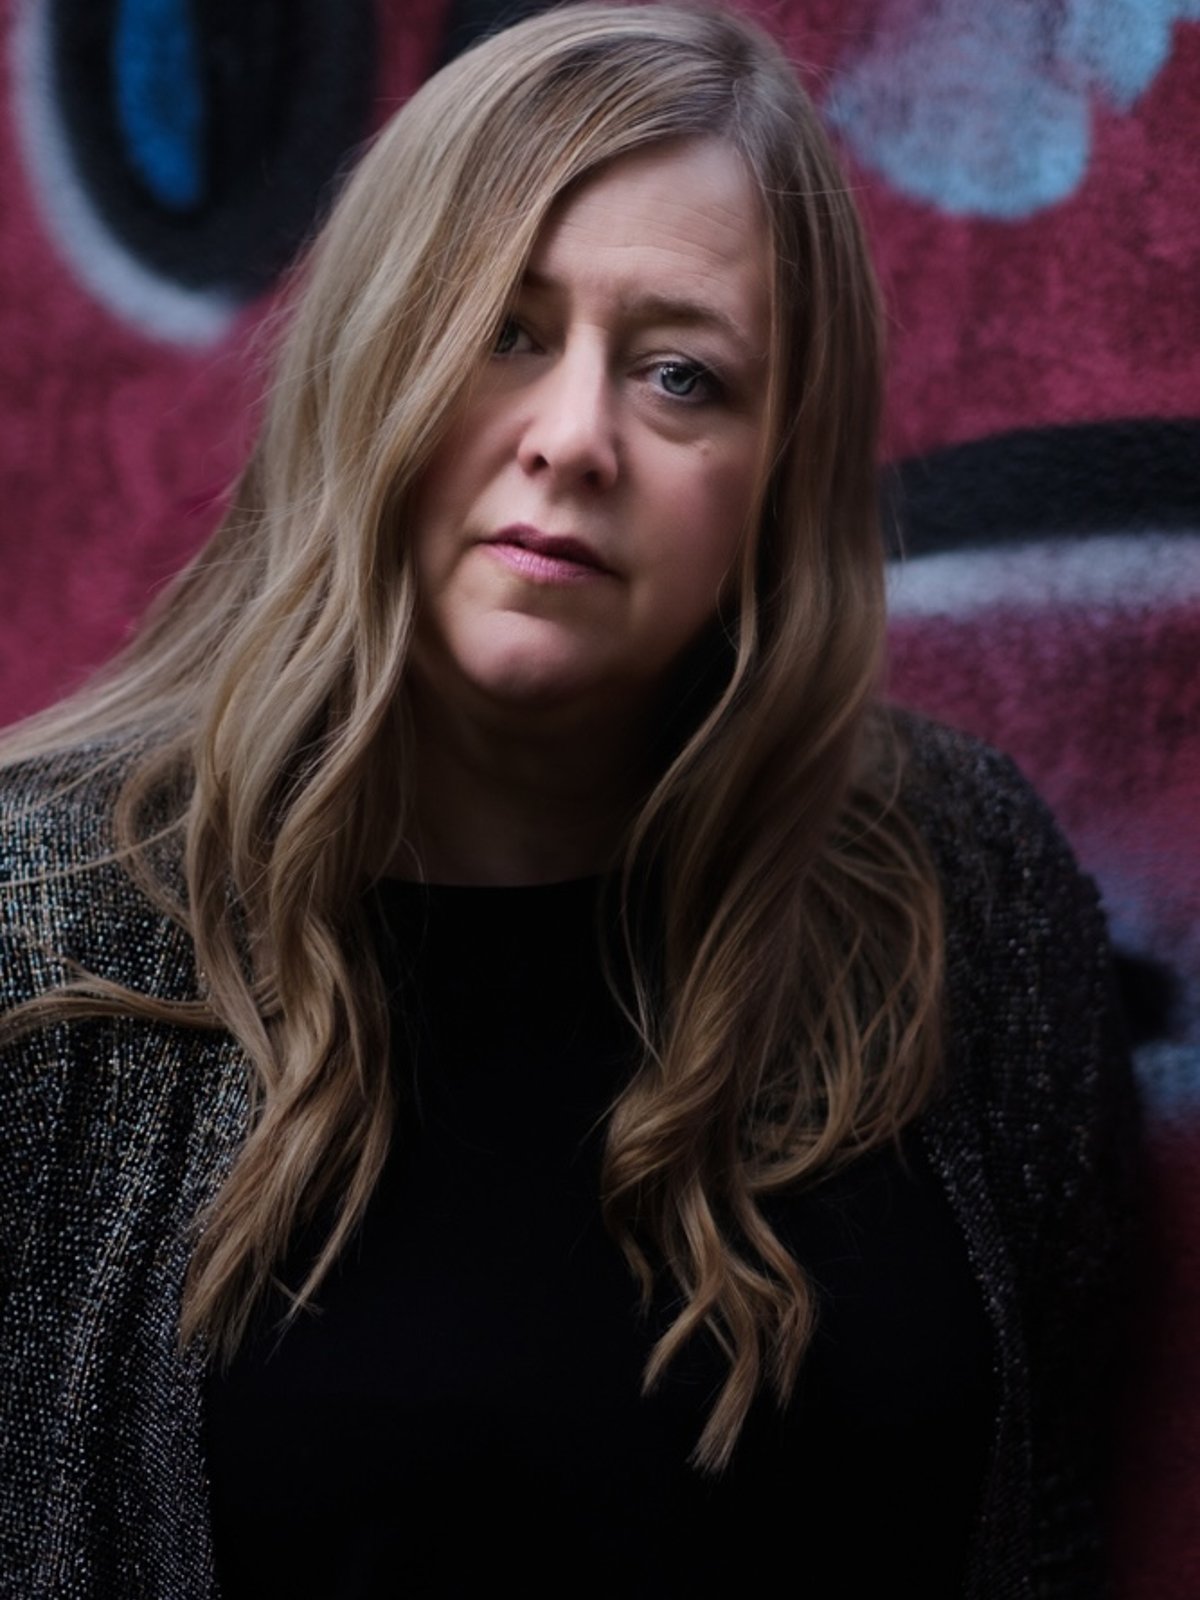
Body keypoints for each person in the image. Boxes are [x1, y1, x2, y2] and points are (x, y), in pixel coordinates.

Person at [0, 4, 1138, 1596]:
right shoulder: (44, 934)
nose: (575, 439)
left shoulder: (965, 896)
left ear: (780, 471)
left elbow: (1052, 1519)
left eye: (682, 375)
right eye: (503, 331)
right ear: (369, 355)